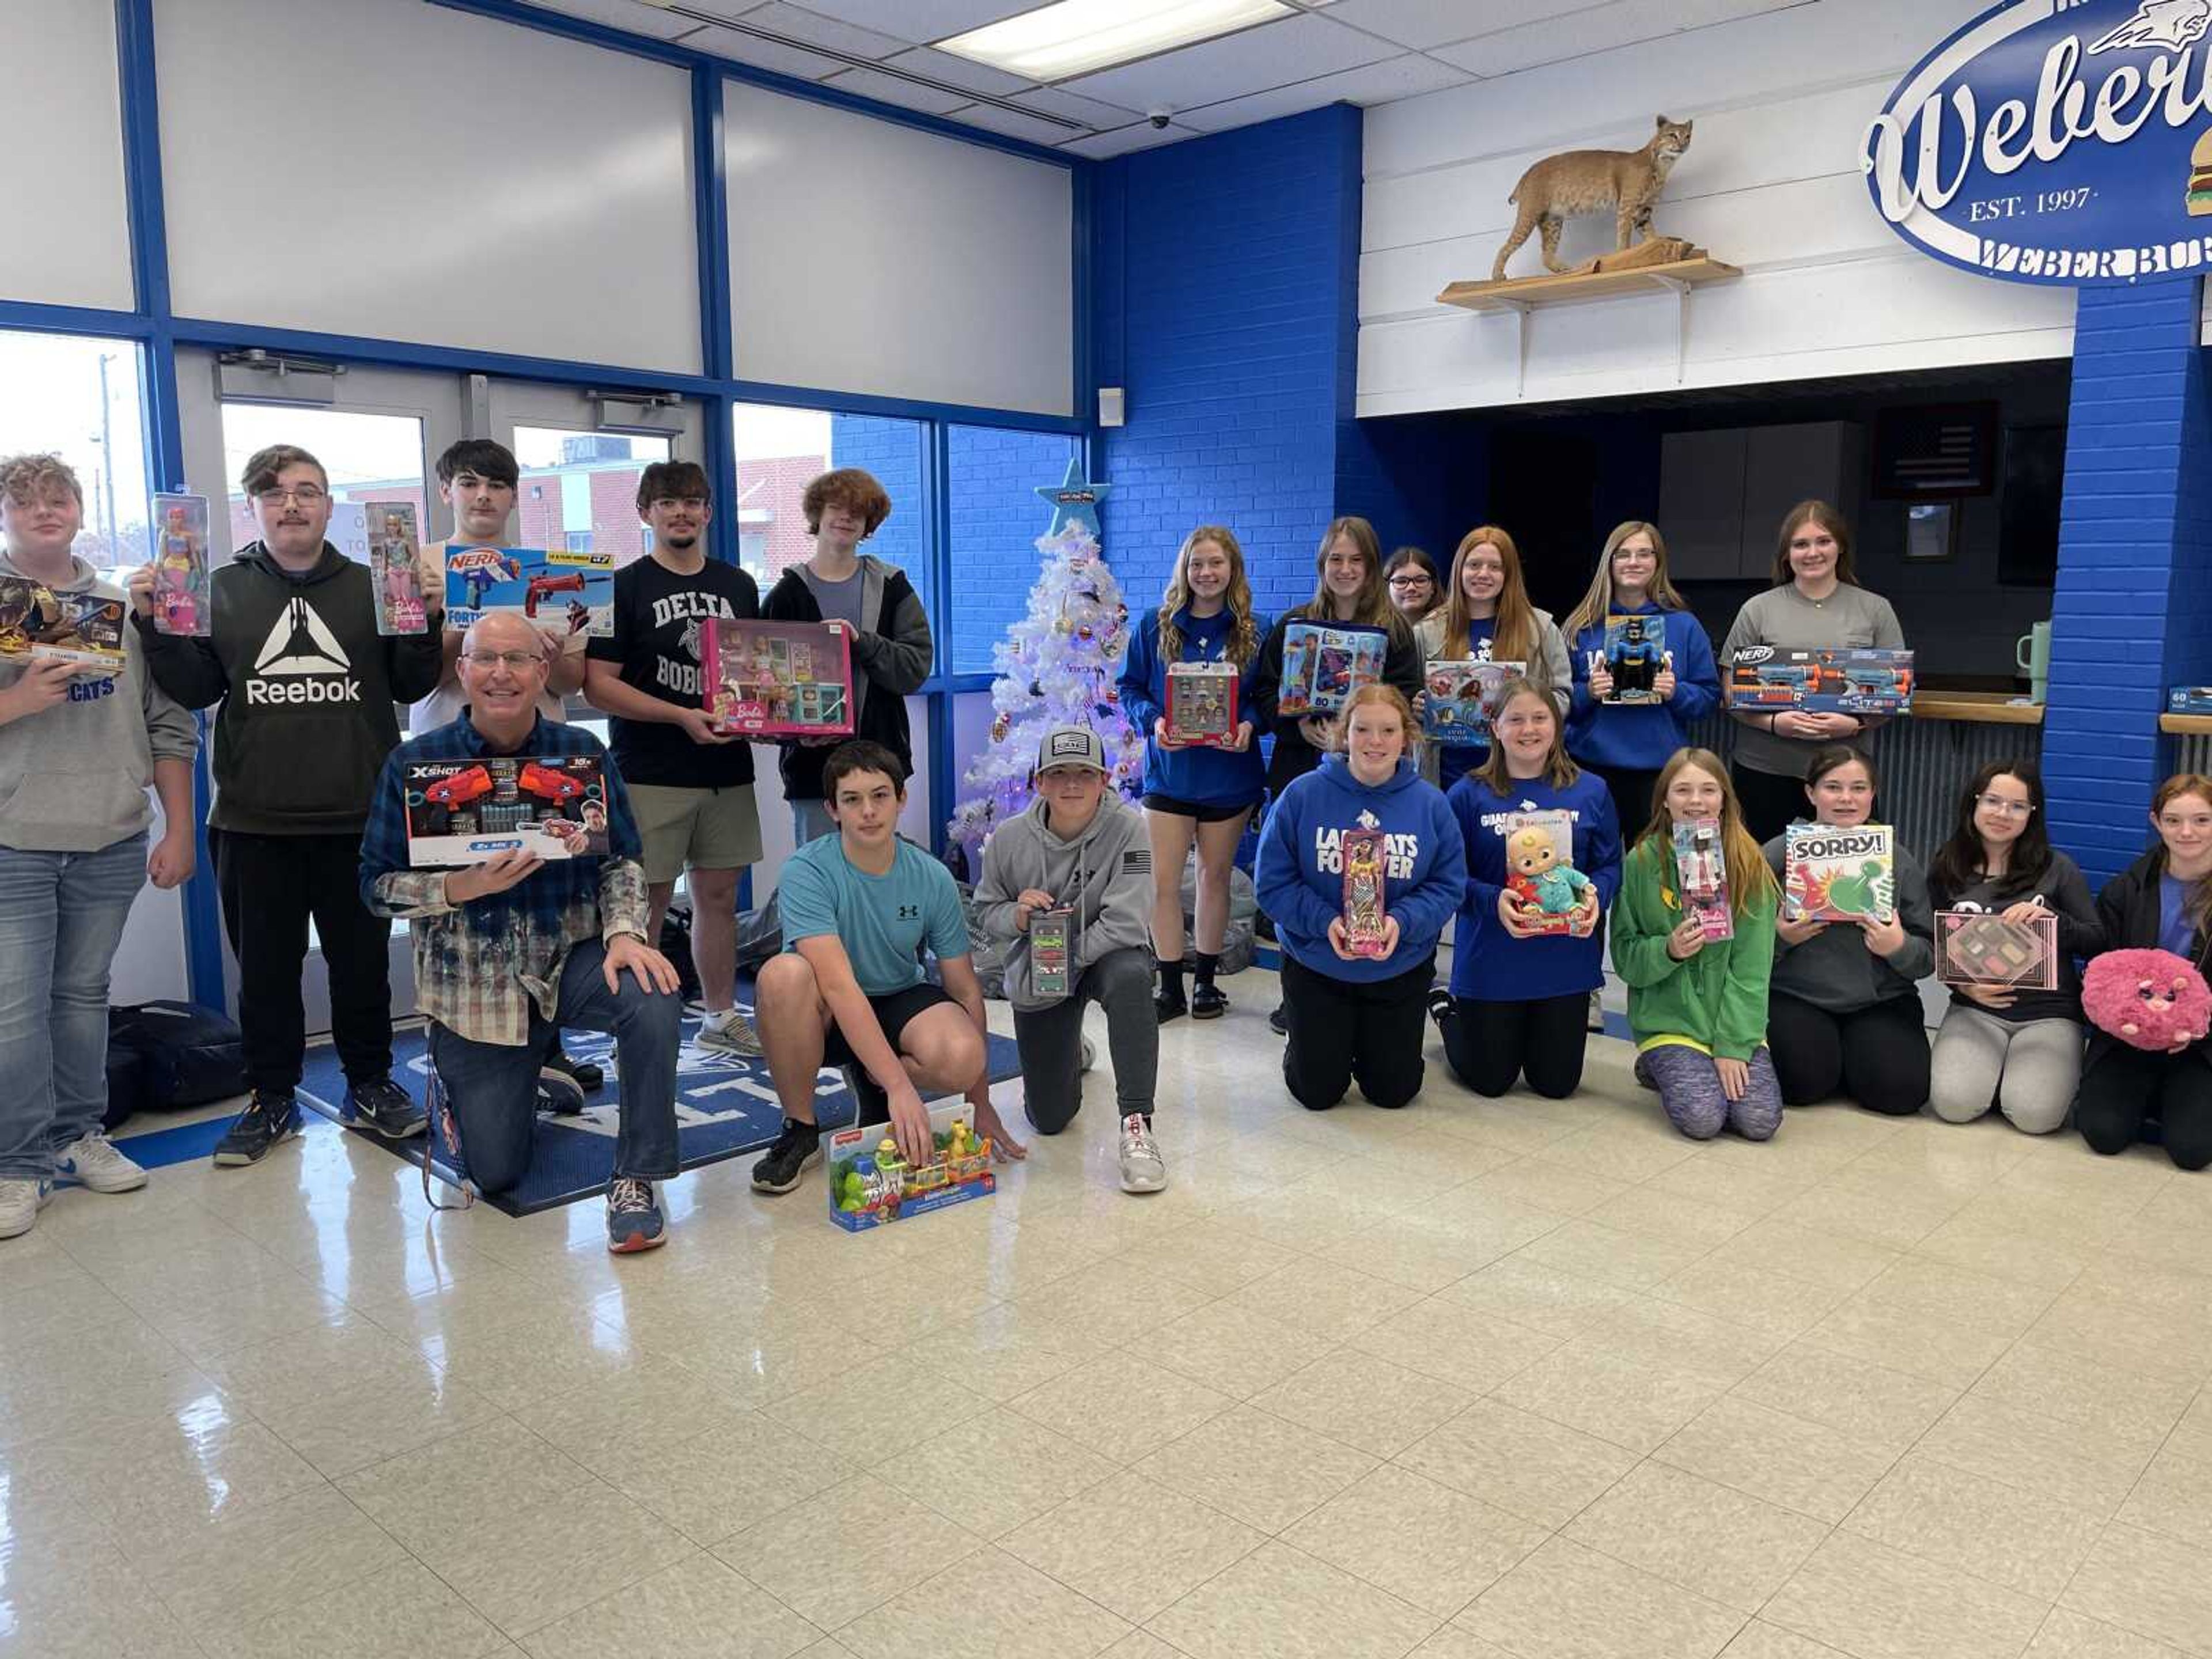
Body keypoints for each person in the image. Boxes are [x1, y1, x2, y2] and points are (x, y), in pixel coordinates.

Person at [130, 444, 444, 1166]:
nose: (292, 505)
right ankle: (271, 1098)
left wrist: (424, 618)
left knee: (361, 968)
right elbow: (197, 689)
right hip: (251, 820)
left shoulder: (376, 584)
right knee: (265, 976)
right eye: (274, 495)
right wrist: (152, 622)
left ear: (330, 506)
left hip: (358, 821)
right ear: (255, 510)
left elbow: (408, 685)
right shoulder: (217, 589)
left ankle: (371, 1083)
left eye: (306, 492)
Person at [361, 612, 683, 1249]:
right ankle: (521, 1075)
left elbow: (621, 858)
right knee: (495, 1171)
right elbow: (374, 886)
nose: (500, 674)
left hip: (569, 961)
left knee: (653, 994)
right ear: (462, 672)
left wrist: (625, 933)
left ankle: (637, 1178)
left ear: (543, 674)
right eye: (485, 660)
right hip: (475, 991)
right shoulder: (415, 764)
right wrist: (456, 888)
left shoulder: (582, 754)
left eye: (517, 661)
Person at [0, 454, 197, 1236]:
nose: (46, 510)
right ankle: (19, 1163)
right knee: (14, 1010)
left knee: (83, 997)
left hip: (110, 833)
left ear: (80, 508)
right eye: (27, 500)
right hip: (13, 837)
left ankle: (80, 1135)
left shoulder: (121, 605)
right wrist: (18, 700)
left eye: (60, 498)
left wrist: (179, 826)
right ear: (6, 514)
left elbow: (167, 724)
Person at [749, 741, 1024, 1194]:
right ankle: (800, 1128)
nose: (868, 812)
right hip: (825, 1009)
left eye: (879, 796)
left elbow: (965, 990)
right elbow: (838, 987)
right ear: (832, 810)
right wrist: (903, 1088)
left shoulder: (931, 874)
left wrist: (980, 1102)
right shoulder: (805, 871)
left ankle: (872, 1075)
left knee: (964, 1055)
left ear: (901, 800)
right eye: (852, 800)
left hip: (897, 994)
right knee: (783, 975)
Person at [410, 437, 599, 1097]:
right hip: (448, 754)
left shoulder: (547, 569)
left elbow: (575, 679)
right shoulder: (422, 567)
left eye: (496, 485)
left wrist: (548, 648)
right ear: (446, 491)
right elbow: (410, 680)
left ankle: (547, 1044)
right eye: (468, 483)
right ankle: (461, 1046)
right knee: (457, 898)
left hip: (538, 751)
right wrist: (465, 634)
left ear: (515, 495)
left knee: (545, 894)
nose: (483, 496)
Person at [584, 460, 763, 1057]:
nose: (681, 512)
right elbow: (597, 686)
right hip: (649, 770)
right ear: (645, 512)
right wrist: (680, 716)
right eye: (667, 502)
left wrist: (764, 717)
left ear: (709, 512)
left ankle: (720, 1016)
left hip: (727, 771)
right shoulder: (623, 585)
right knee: (647, 902)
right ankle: (642, 1025)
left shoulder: (739, 585)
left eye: (692, 501)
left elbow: (754, 675)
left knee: (718, 898)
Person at [1254, 685, 1465, 1113]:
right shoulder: (1302, 794)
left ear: (1405, 737)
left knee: (1394, 1093)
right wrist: (1324, 921)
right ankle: (1308, 1038)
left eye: (1388, 730)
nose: (1375, 741)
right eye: (1363, 729)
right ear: (1342, 734)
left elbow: (1448, 885)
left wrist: (1401, 922)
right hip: (1316, 961)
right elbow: (1273, 883)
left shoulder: (1431, 804)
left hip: (1398, 964)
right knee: (1316, 1093)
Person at [976, 725, 1162, 1191]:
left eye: (1085, 773)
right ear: (1039, 781)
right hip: (1042, 969)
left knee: (1132, 976)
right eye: (1058, 773)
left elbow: (1126, 923)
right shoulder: (1008, 839)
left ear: (1105, 780)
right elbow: (985, 910)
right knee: (1050, 1119)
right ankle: (1070, 1051)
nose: (1072, 785)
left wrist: (1064, 955)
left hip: (1102, 954)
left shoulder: (1130, 829)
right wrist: (1019, 917)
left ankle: (1137, 1123)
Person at [1252, 517, 1421, 1032]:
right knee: (1302, 876)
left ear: (1371, 567)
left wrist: (1360, 737)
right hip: (1301, 768)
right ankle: (1297, 990)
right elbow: (1261, 696)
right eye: (1335, 560)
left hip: (1371, 776)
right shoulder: (1292, 625)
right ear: (1322, 566)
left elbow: (1408, 701)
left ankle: (1367, 975)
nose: (1345, 570)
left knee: (1362, 873)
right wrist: (1301, 727)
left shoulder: (1394, 631)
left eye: (1356, 560)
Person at [1437, 678, 1620, 1099]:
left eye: (1540, 718)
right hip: (1491, 959)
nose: (1529, 729)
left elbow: (1610, 864)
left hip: (1565, 961)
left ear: (1556, 725)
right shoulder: (1467, 795)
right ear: (1495, 728)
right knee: (1490, 1081)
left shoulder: (1591, 791)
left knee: (1556, 1085)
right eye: (1515, 719)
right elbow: (1446, 878)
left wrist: (1596, 895)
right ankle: (1447, 1012)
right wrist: (1491, 899)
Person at [1115, 525, 1264, 1022]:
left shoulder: (1254, 630)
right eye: (1197, 564)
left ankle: (1205, 983)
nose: (1206, 573)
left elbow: (1267, 699)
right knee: (1162, 882)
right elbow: (1130, 686)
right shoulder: (1155, 627)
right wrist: (1153, 722)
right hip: (1169, 775)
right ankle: (1169, 986)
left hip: (1229, 775)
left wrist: (1250, 724)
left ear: (1232, 570)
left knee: (1214, 878)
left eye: (1216, 564)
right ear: (1184, 570)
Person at [1609, 747, 1782, 1141]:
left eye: (1709, 790)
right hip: (1670, 1022)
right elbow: (1624, 955)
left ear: (1724, 800)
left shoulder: (1749, 864)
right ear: (1665, 802)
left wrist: (1734, 1045)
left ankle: (1689, 1064)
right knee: (1704, 1119)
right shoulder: (1640, 863)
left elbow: (1753, 968)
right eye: (1682, 791)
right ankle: (1657, 1061)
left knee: (1758, 1122)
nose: (1696, 801)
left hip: (1735, 1022)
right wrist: (1666, 951)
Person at [1925, 762, 2099, 1135]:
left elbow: (2097, 939)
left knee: (2035, 1117)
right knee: (1954, 1105)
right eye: (1992, 801)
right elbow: (1934, 943)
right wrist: (1962, 987)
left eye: (2017, 806)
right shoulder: (1947, 867)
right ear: (1973, 803)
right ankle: (1991, 1075)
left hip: (2049, 1015)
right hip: (1974, 1011)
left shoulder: (2057, 869)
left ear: (2032, 815)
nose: (2003, 814)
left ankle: (2016, 1079)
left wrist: (2052, 919)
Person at [1762, 745, 1933, 1116]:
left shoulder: (1898, 859)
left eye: (1858, 788)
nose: (1846, 799)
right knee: (1802, 1085)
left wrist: (1898, 947)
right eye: (1832, 787)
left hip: (1880, 999)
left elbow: (1928, 957)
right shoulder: (1777, 854)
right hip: (1795, 993)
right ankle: (1833, 1057)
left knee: (1900, 1094)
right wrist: (1780, 939)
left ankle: (1854, 1055)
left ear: (1874, 794)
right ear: (1810, 793)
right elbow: (1738, 942)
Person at [762, 468, 930, 845]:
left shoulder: (892, 586)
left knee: (877, 876)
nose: (846, 518)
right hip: (811, 772)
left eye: (858, 512)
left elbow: (915, 668)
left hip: (881, 760)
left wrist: (862, 643)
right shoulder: (786, 594)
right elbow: (761, 691)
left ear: (869, 523)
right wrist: (793, 734)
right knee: (819, 878)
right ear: (817, 514)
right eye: (837, 507)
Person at [1722, 501, 1907, 843]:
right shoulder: (1758, 610)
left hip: (1844, 775)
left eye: (1823, 541)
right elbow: (1731, 689)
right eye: (1801, 544)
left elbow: (1893, 692)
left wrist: (1856, 724)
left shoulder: (1875, 609)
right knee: (1761, 874)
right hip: (1765, 768)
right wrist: (1775, 724)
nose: (1813, 553)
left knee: (1846, 877)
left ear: (1840, 546)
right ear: (1786, 553)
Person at [2073, 774, 2212, 1169]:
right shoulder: (2127, 890)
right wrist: (2127, 1021)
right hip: (2129, 1038)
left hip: (2200, 1043)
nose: (2187, 832)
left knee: (2193, 1152)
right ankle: (2147, 1093)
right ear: (2156, 822)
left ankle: (2176, 1094)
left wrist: (2196, 1030)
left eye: (2202, 820)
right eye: (2173, 821)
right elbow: (2102, 970)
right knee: (2103, 1134)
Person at [1562, 521, 1722, 835]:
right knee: (1593, 866)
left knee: (1653, 868)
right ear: (1609, 562)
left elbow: (1708, 699)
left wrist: (1677, 691)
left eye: (1644, 554)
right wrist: (1588, 692)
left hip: (1660, 770)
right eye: (1623, 554)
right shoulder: (1582, 626)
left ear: (1658, 562)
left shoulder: (1684, 625)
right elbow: (1558, 699)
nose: (1633, 562)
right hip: (1590, 766)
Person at [1414, 526, 1572, 789]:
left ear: (1508, 574)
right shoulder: (1427, 630)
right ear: (1459, 570)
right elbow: (1405, 699)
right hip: (1446, 776)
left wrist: (1528, 713)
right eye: (1474, 565)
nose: (1483, 574)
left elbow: (1562, 696)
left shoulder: (1541, 628)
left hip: (1521, 774)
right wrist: (1417, 705)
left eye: (1495, 567)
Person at [1383, 546, 1443, 628]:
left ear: (1434, 587)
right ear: (1387, 588)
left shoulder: (1452, 628)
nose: (1411, 588)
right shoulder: (1375, 634)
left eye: (1420, 580)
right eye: (1401, 582)